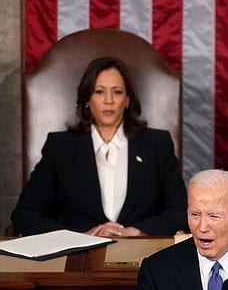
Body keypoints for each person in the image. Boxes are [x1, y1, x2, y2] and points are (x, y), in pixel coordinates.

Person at [11, 57, 188, 237]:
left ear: (127, 99)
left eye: (117, 92)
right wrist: (78, 237)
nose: (108, 100)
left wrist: (136, 232)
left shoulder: (157, 144)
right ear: (87, 99)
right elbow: (25, 215)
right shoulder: (60, 147)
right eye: (99, 92)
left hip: (142, 250)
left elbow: (181, 211)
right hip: (80, 251)